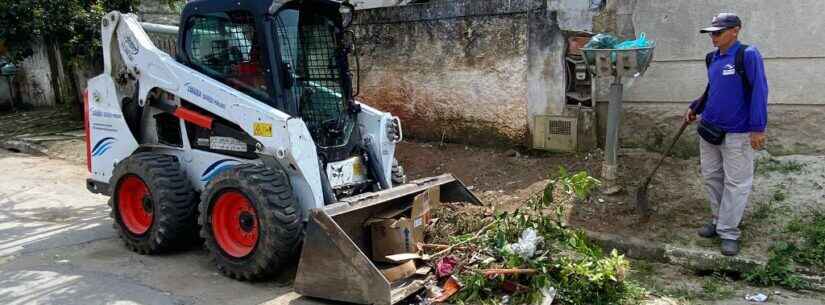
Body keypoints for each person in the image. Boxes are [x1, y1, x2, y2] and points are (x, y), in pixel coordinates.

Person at [684, 13, 769, 256]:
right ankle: (718, 219)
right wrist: (695, 107)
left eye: (718, 33)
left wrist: (758, 127)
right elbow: (712, 90)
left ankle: (729, 232)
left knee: (737, 182)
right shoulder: (712, 58)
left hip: (738, 133)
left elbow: (759, 92)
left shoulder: (748, 55)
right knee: (712, 177)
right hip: (710, 129)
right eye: (711, 33)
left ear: (736, 30)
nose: (714, 37)